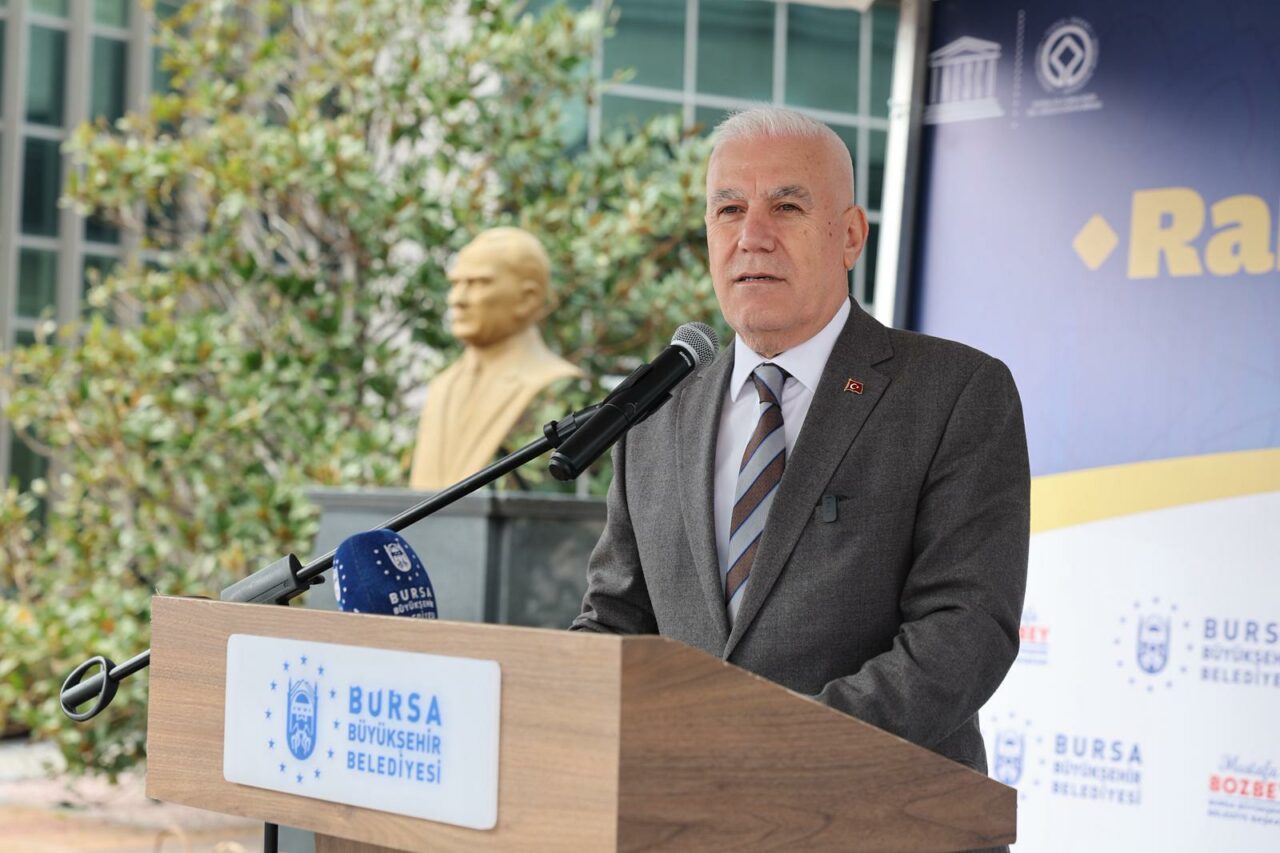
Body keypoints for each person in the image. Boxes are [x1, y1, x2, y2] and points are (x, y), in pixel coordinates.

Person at [570, 108, 1030, 785]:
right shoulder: (653, 412)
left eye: (786, 207)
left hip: (880, 807)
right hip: (680, 805)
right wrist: (557, 702)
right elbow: (615, 620)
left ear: (850, 236)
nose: (751, 237)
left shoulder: (954, 392)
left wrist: (782, 747)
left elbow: (965, 628)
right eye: (729, 210)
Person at [409, 227, 581, 490]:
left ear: (528, 298)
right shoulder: (443, 385)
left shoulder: (556, 385)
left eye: (478, 283)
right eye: (455, 284)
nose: (457, 299)